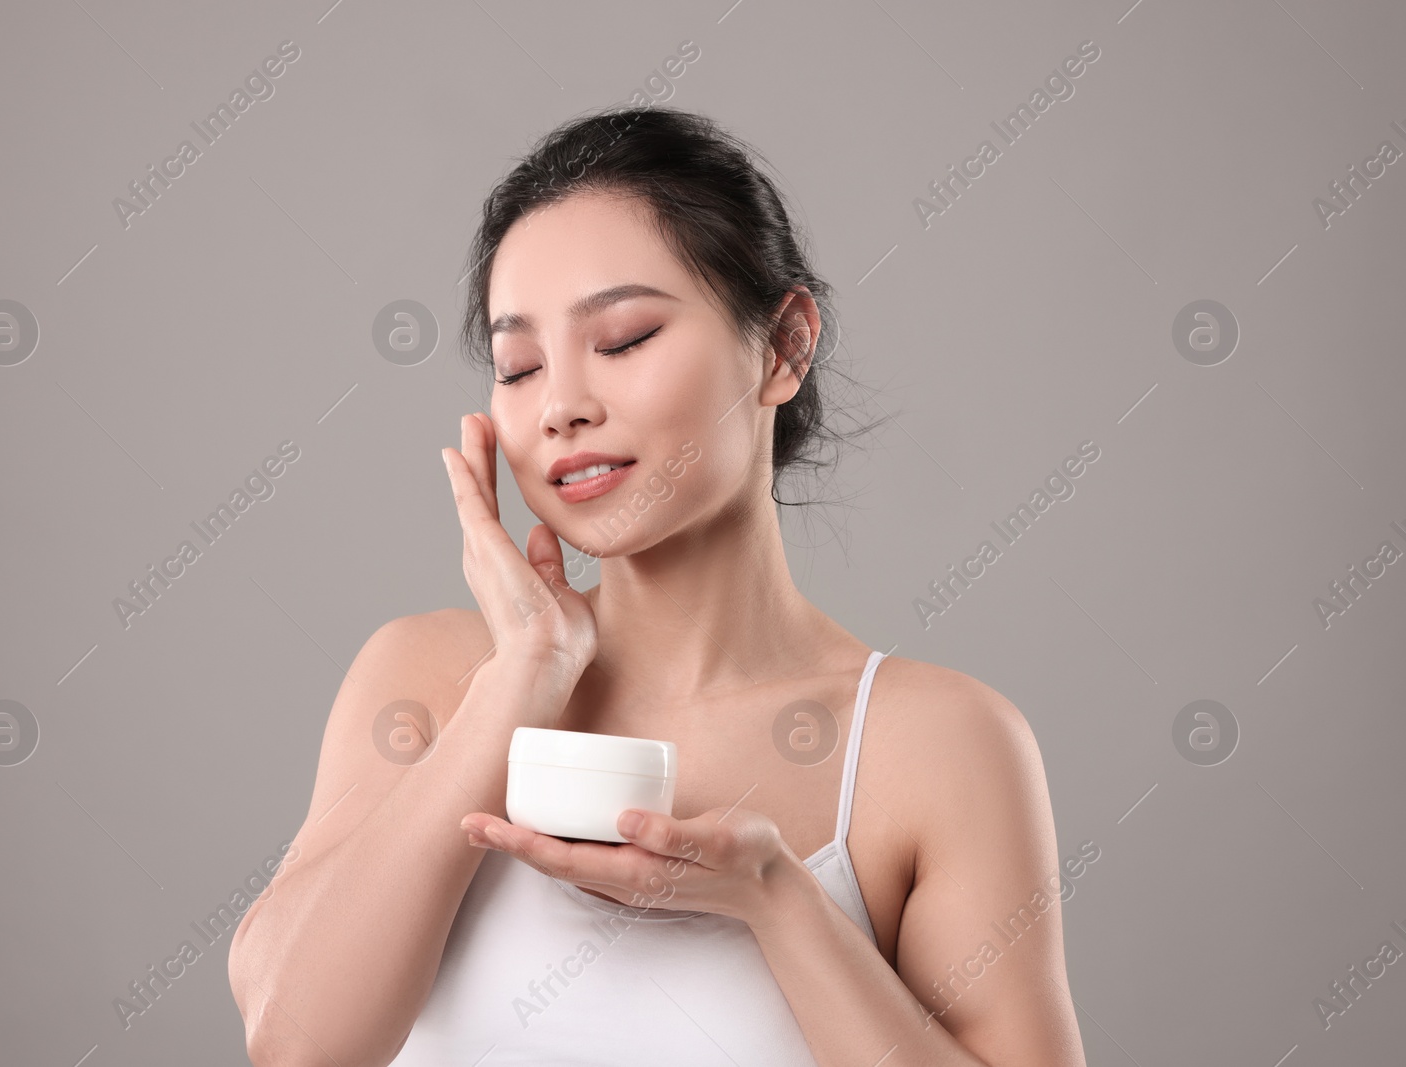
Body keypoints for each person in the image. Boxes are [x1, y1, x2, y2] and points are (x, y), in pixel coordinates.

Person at [228, 106, 1087, 1067]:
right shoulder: (426, 678)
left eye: (626, 338)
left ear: (783, 346)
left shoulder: (937, 744)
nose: (562, 406)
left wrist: (776, 900)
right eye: (519, 366)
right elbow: (297, 1043)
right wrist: (523, 675)